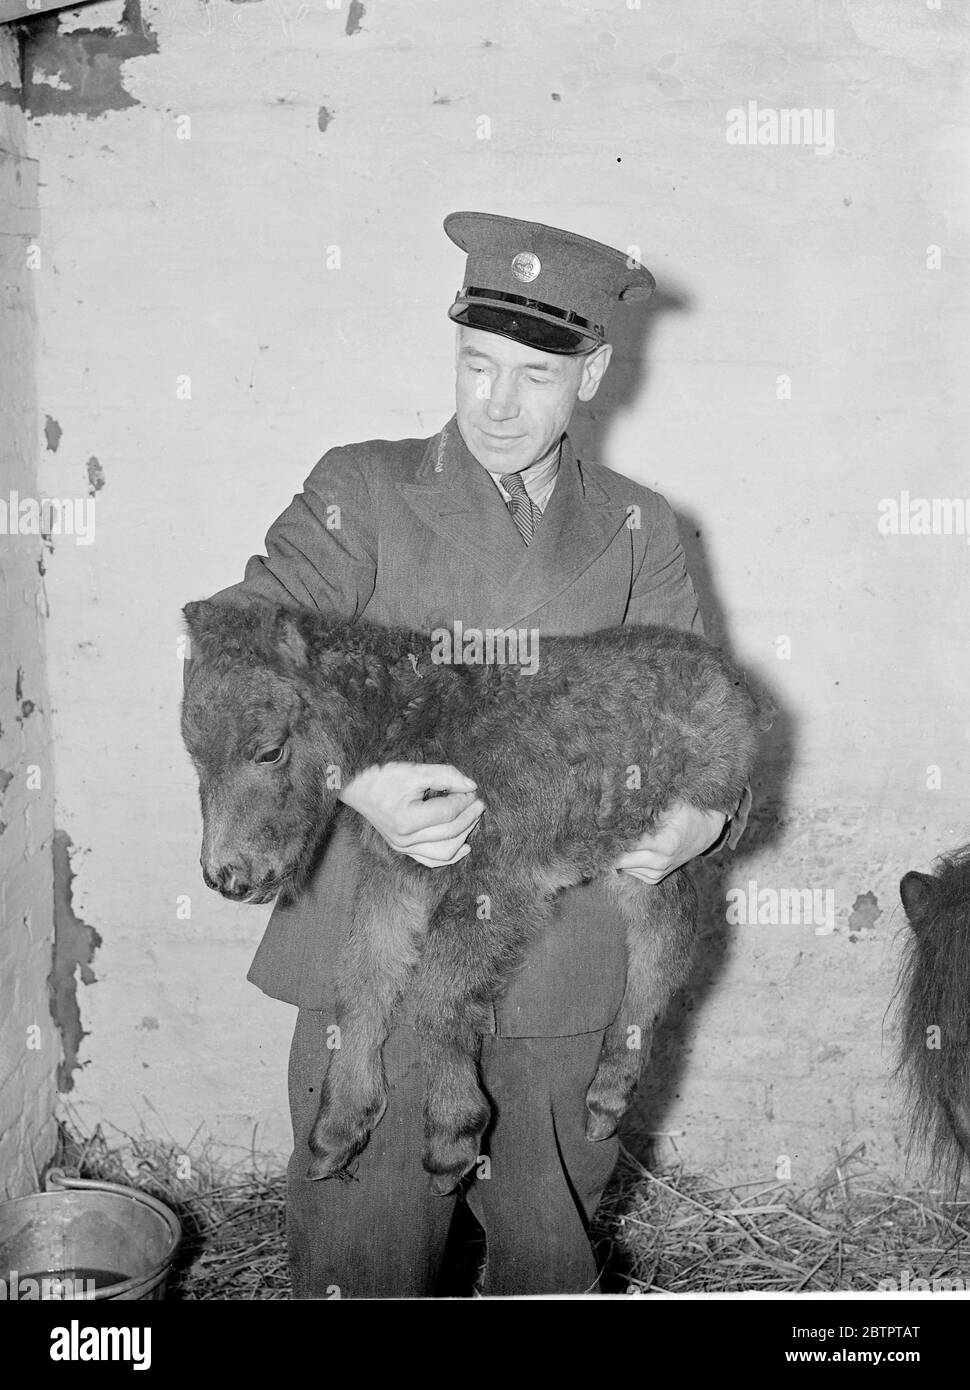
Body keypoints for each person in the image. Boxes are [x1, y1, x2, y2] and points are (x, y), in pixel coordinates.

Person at [203, 211, 746, 1297]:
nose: (497, 405)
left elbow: (703, 710)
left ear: (590, 373)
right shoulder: (362, 489)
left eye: (535, 375)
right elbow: (237, 644)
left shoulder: (640, 527)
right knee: (365, 1253)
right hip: (382, 940)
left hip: (562, 954)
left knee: (548, 1251)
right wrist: (353, 779)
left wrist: (704, 819)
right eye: (476, 365)